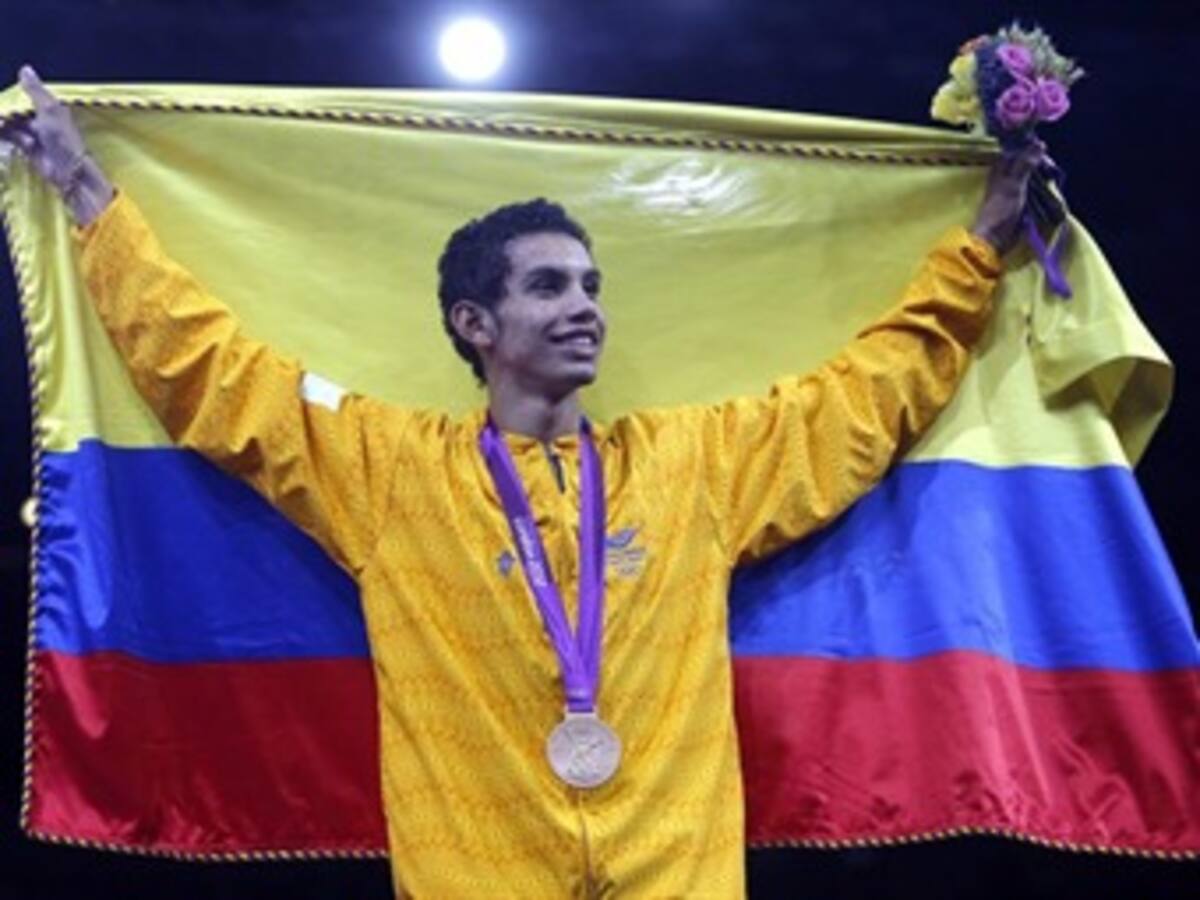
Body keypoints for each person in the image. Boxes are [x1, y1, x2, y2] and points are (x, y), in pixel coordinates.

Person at [2, 65, 1037, 898]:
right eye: (549, 285)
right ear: (475, 324)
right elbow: (214, 373)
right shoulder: (387, 472)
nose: (585, 306)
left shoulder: (696, 464)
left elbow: (859, 401)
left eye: (592, 285)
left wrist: (980, 247)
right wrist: (90, 195)